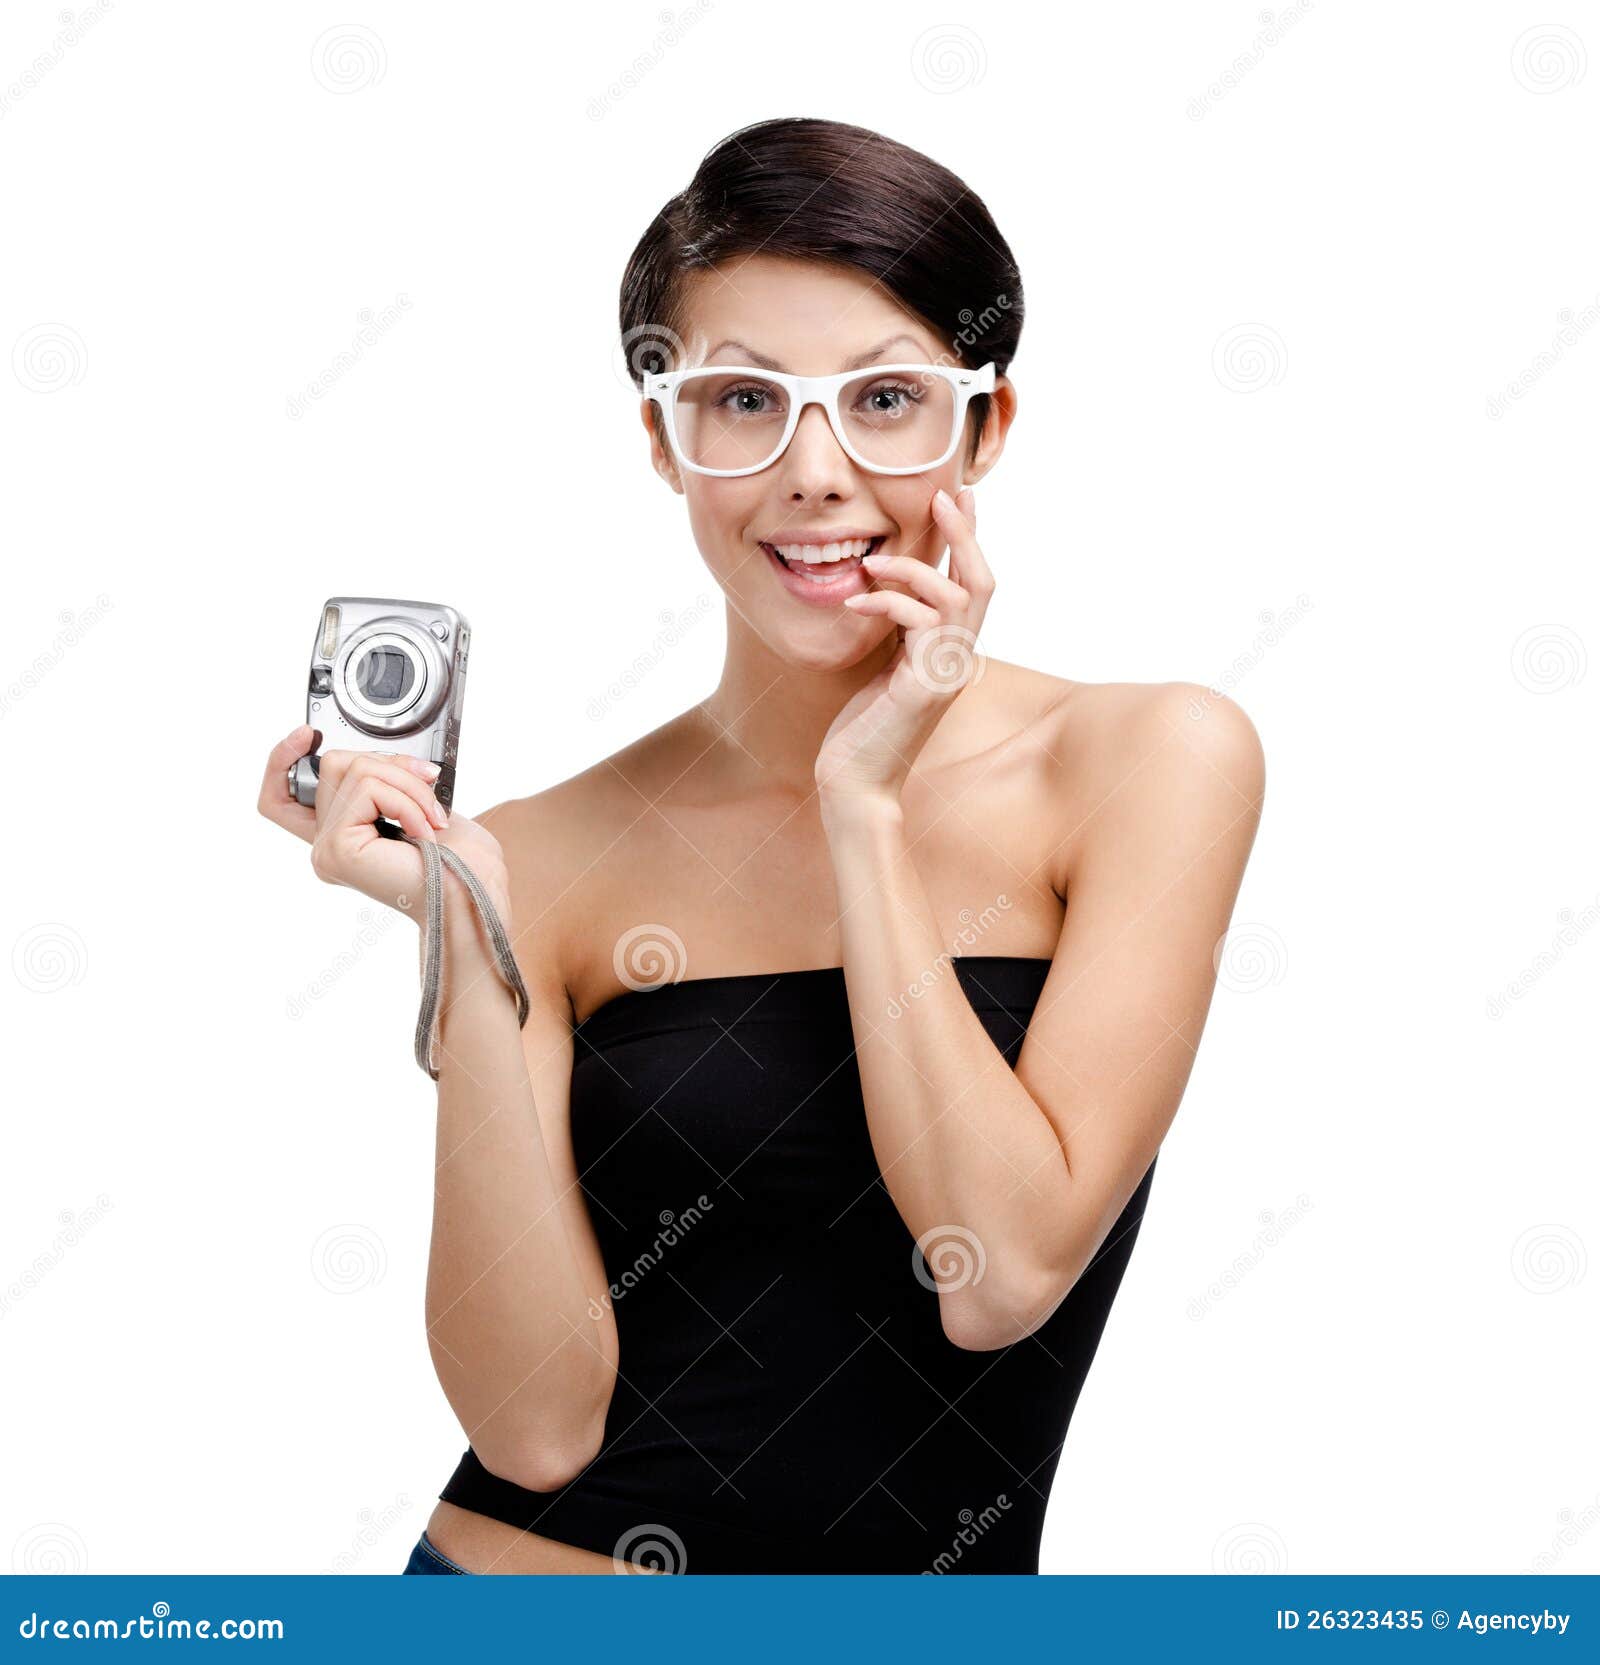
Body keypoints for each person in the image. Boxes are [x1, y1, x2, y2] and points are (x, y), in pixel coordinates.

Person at [257, 116, 1265, 1575]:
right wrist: (464, 931)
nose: (815, 470)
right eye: (743, 401)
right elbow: (534, 1426)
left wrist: (864, 811)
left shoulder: (1148, 761)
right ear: (666, 441)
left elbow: (1000, 1269)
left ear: (986, 427)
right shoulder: (538, 852)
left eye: (886, 398)